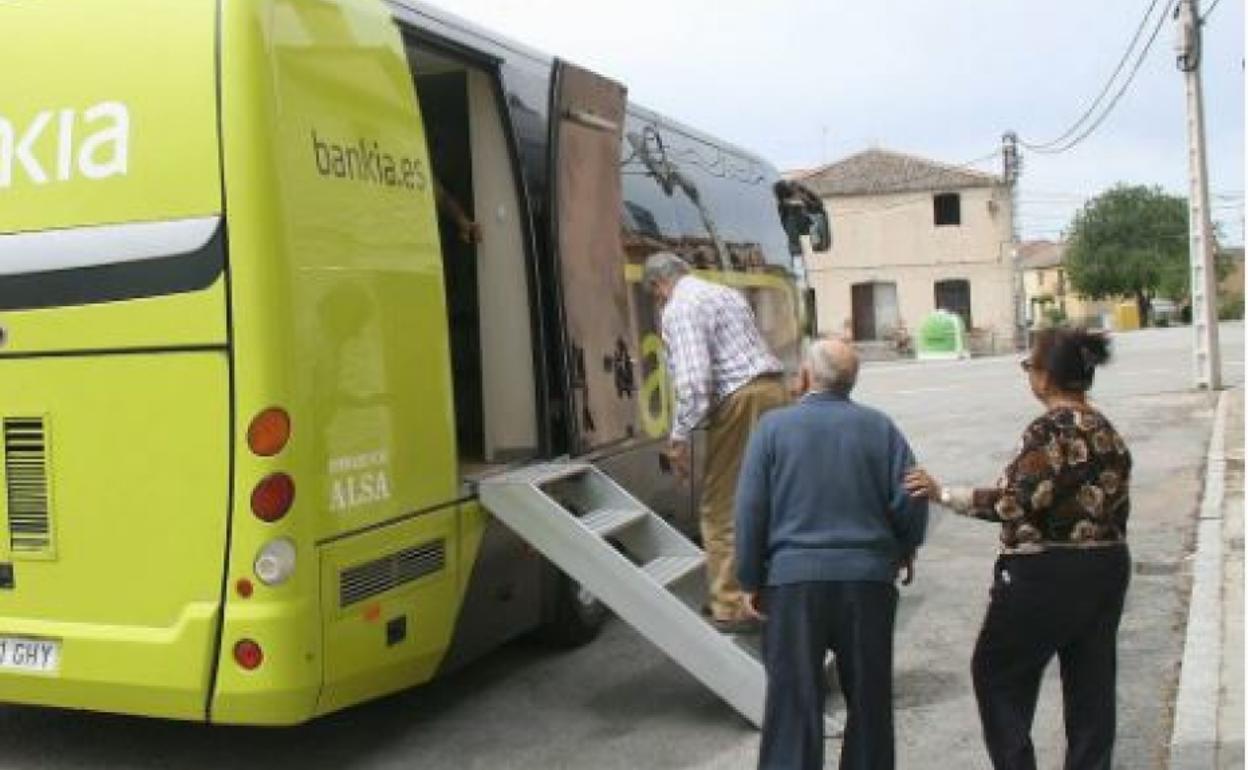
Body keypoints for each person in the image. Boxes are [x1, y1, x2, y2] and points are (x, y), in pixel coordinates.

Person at [905, 328, 1131, 770]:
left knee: (997, 673)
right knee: (1091, 686)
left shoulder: (1049, 430)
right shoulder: (1106, 429)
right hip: (1106, 568)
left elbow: (1015, 502)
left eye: (1030, 365)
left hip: (1046, 572)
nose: (1029, 374)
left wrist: (944, 494)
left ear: (1046, 378)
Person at [735, 337, 928, 770]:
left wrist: (749, 578)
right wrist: (905, 548)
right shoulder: (880, 427)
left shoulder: (772, 429)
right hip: (868, 581)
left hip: (793, 583)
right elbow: (911, 494)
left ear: (805, 376)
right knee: (869, 701)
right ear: (851, 382)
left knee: (793, 702)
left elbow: (750, 509)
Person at [642, 250, 788, 633]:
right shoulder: (723, 294)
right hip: (773, 391)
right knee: (766, 498)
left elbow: (694, 382)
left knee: (720, 506)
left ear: (659, 286)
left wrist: (677, 439)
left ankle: (730, 604)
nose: (659, 302)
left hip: (741, 401)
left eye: (655, 295)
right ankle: (769, 592)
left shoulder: (680, 307)